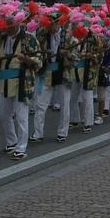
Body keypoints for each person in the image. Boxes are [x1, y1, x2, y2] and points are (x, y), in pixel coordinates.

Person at [0, 8, 42, 160]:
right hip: (4, 82)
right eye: (6, 24)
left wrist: (27, 59)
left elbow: (39, 60)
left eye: (11, 24)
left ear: (18, 22)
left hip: (22, 81)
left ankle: (21, 147)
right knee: (5, 115)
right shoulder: (0, 38)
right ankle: (11, 141)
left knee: (22, 116)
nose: (8, 27)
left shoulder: (29, 39)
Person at [30, 12, 76, 143]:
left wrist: (68, 54)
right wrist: (43, 55)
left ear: (57, 23)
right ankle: (38, 133)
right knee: (40, 105)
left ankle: (62, 132)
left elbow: (77, 56)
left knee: (64, 105)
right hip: (47, 73)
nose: (49, 28)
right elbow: (36, 51)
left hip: (63, 73)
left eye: (51, 24)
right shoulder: (42, 34)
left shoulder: (68, 36)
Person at [70, 31, 103, 132]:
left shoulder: (95, 38)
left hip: (89, 72)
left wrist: (92, 56)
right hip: (75, 70)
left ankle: (88, 123)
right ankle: (74, 119)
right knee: (73, 96)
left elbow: (100, 55)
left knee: (87, 98)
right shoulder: (72, 36)